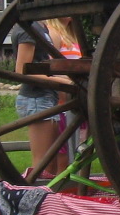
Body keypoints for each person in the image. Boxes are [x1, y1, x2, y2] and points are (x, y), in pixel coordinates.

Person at [10, 17, 80, 181]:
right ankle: (37, 200)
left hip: (46, 97)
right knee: (43, 165)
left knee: (51, 163)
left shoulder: (40, 28)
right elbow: (22, 70)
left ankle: (47, 201)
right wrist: (64, 82)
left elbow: (45, 66)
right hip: (37, 97)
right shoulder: (29, 29)